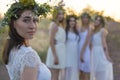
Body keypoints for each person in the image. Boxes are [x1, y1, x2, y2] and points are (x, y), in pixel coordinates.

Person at [2, 0, 51, 80]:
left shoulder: (11, 48)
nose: (32, 26)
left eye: (35, 20)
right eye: (26, 20)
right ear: (14, 23)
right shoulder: (29, 56)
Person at [46, 2, 66, 80]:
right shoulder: (54, 25)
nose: (61, 16)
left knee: (58, 74)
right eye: (59, 14)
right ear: (55, 15)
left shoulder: (60, 25)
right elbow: (51, 41)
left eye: (62, 14)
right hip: (56, 51)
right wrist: (55, 57)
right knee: (55, 75)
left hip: (61, 50)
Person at [90, 15, 113, 80]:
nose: (97, 21)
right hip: (93, 52)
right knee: (96, 71)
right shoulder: (93, 31)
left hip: (100, 52)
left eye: (99, 20)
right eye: (96, 19)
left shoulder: (102, 30)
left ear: (101, 22)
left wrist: (107, 56)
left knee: (102, 69)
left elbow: (104, 44)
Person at [78, 12, 92, 80]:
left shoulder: (90, 28)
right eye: (84, 17)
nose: (85, 19)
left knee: (85, 71)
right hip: (78, 48)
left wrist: (81, 54)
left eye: (86, 18)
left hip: (85, 50)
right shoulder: (79, 27)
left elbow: (87, 41)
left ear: (88, 19)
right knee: (80, 71)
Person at [65, 15, 79, 80]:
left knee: (74, 72)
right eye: (70, 21)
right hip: (68, 54)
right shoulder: (65, 31)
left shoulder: (77, 32)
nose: (72, 22)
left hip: (75, 54)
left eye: (74, 21)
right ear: (68, 22)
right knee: (67, 72)